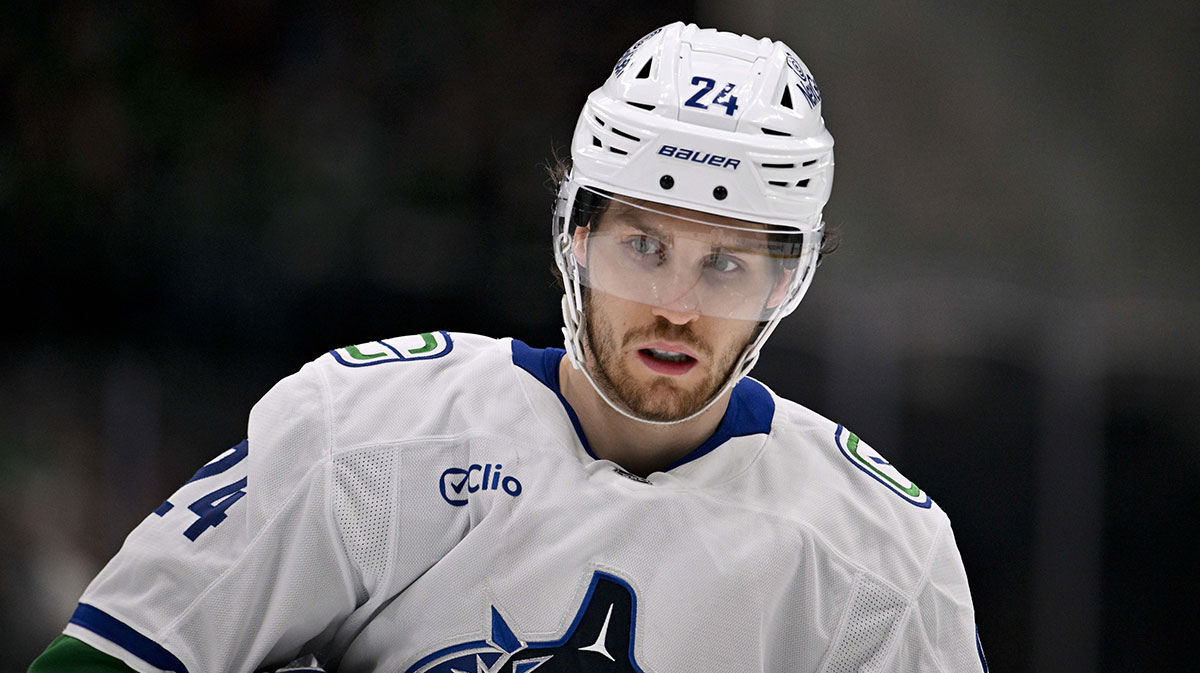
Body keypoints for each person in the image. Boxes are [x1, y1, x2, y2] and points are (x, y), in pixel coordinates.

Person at [29, 22, 986, 673]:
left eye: (725, 267)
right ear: (574, 235)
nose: (678, 307)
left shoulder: (883, 561)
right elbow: (111, 654)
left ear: (785, 283)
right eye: (643, 247)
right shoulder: (364, 434)